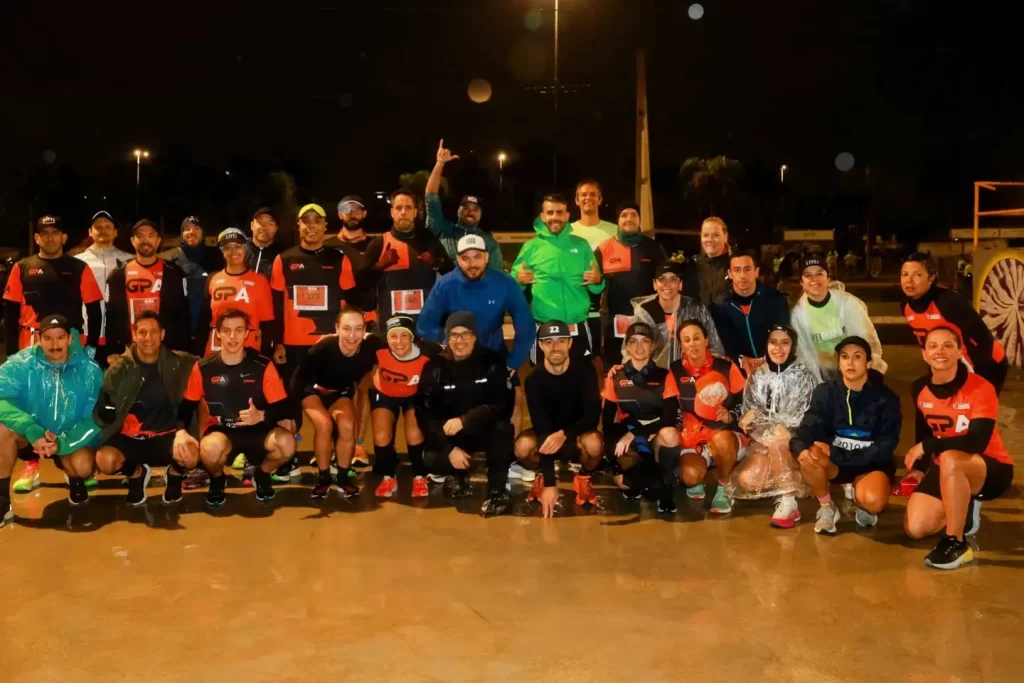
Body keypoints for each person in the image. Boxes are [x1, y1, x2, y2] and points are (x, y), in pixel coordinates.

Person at [903, 327, 1014, 570]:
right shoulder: (920, 388)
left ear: (960, 351)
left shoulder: (980, 388)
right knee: (916, 528)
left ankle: (956, 542)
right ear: (924, 354)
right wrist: (920, 468)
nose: (939, 351)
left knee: (952, 458)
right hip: (947, 467)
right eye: (932, 346)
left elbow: (977, 442)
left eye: (947, 345)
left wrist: (928, 446)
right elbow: (924, 431)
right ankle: (963, 506)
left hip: (990, 467)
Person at [417, 234, 535, 439]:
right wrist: (448, 343)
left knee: (515, 395)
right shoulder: (445, 284)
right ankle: (449, 449)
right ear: (458, 260)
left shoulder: (505, 282)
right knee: (451, 398)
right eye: (466, 258)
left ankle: (512, 454)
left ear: (487, 258)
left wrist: (514, 362)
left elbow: (526, 326)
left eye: (477, 257)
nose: (472, 264)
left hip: (493, 352)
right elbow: (424, 325)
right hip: (457, 355)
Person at [179, 309, 296, 506]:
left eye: (238, 330)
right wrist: (181, 431)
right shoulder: (204, 367)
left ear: (247, 333)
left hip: (259, 431)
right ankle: (217, 479)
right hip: (224, 432)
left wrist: (262, 416)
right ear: (218, 333)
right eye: (226, 331)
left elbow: (284, 407)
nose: (232, 337)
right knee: (209, 449)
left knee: (287, 444)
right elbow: (187, 405)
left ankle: (262, 474)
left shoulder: (262, 365)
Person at [790, 336, 901, 534]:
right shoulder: (825, 392)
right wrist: (799, 449)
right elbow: (807, 427)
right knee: (809, 455)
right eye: (845, 357)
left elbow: (887, 444)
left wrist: (838, 453)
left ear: (868, 363)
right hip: (836, 464)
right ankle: (827, 508)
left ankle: (862, 500)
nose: (850, 362)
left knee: (873, 501)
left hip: (870, 465)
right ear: (839, 362)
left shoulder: (886, 397)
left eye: (857, 357)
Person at [93, 312, 200, 506]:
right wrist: (108, 412)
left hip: (168, 435)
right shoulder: (119, 368)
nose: (148, 338)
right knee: (105, 460)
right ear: (134, 335)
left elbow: (212, 367)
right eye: (142, 332)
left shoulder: (181, 362)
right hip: (130, 437)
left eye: (153, 332)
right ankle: (137, 473)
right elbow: (104, 403)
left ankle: (175, 474)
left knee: (191, 456)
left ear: (162, 334)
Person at [0, 316, 102, 520]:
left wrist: (63, 443)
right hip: (31, 436)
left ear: (70, 339)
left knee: (83, 466)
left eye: (60, 337)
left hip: (67, 440)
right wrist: (30, 428)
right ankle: (2, 502)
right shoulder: (22, 363)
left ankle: (75, 478)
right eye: (48, 338)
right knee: (2, 432)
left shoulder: (90, 371)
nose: (54, 345)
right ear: (39, 338)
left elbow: (94, 418)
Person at [418, 311, 516, 516]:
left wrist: (467, 419)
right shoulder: (434, 367)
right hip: (452, 435)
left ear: (475, 336)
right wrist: (449, 448)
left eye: (465, 334)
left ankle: (497, 489)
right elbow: (425, 415)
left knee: (503, 429)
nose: (459, 340)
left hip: (484, 429)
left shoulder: (493, 361)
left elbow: (504, 405)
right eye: (454, 335)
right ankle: (457, 476)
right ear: (447, 337)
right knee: (431, 459)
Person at [728, 324, 816, 528]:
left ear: (792, 346)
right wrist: (763, 421)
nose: (778, 348)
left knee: (778, 439)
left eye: (784, 343)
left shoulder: (804, 376)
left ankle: (788, 502)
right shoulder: (758, 376)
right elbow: (747, 419)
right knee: (749, 481)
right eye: (773, 343)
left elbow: (799, 418)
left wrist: (762, 416)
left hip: (795, 441)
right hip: (765, 441)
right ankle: (795, 482)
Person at [291, 307, 383, 498]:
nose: (352, 335)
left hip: (340, 392)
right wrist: (290, 415)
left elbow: (398, 342)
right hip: (312, 390)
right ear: (337, 329)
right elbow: (298, 379)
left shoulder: (370, 347)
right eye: (346, 328)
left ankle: (343, 476)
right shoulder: (323, 348)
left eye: (358, 329)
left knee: (347, 426)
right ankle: (323, 478)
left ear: (364, 330)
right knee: (324, 425)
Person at [515, 321, 603, 518]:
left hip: (577, 433)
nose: (555, 347)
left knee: (595, 445)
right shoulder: (533, 380)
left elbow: (592, 416)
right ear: (540, 345)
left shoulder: (585, 371)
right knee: (522, 447)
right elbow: (541, 428)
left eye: (561, 341)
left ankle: (583, 477)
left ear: (569, 344)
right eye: (548, 342)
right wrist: (549, 483)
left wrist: (565, 434)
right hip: (547, 437)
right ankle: (540, 475)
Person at [269, 203, 353, 401]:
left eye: (317, 221)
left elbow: (349, 305)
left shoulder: (339, 260)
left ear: (325, 225)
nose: (311, 226)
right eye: (306, 221)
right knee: (293, 402)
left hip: (329, 343)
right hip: (294, 346)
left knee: (332, 404)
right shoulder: (284, 259)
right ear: (298, 225)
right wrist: (278, 343)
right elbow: (276, 306)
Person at [663, 319, 747, 515]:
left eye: (696, 338)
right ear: (681, 345)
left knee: (722, 439)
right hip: (694, 439)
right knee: (690, 476)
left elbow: (747, 403)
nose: (692, 344)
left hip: (724, 435)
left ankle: (724, 487)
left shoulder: (726, 367)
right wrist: (677, 428)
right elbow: (670, 410)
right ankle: (698, 474)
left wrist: (731, 416)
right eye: (686, 340)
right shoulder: (675, 371)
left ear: (706, 340)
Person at [510, 194, 605, 365]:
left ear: (567, 216)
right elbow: (512, 284)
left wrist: (598, 281)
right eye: (550, 212)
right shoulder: (531, 247)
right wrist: (519, 279)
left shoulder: (581, 245)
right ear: (543, 216)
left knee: (581, 378)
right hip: (545, 325)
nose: (555, 217)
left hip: (577, 325)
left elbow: (596, 287)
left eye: (559, 212)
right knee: (544, 381)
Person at [601, 322, 682, 513]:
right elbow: (606, 423)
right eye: (633, 342)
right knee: (625, 483)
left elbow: (670, 418)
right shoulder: (615, 376)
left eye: (645, 341)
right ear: (627, 346)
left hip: (656, 434)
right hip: (629, 435)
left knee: (670, 434)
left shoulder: (665, 375)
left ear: (653, 346)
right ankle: (641, 476)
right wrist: (616, 462)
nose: (639, 347)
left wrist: (639, 432)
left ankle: (666, 485)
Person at [900, 252, 1006, 394]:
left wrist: (977, 378)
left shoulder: (948, 301)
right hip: (953, 367)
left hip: (987, 363)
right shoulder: (906, 306)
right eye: (905, 274)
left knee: (973, 412)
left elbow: (983, 337)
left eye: (917, 275)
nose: (909, 280)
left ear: (931, 278)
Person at [325, 195, 378, 466]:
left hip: (369, 323)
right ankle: (332, 443)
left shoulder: (376, 244)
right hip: (339, 325)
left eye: (357, 209)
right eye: (347, 209)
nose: (352, 213)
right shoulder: (328, 246)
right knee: (334, 387)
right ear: (339, 214)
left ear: (364, 214)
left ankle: (357, 445)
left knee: (365, 387)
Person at [3, 215, 102, 354]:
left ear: (64, 237)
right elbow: (11, 313)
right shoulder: (22, 267)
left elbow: (94, 312)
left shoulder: (80, 268)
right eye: (45, 233)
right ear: (37, 238)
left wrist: (92, 346)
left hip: (70, 343)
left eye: (55, 233)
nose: (50, 238)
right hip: (31, 343)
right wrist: (11, 350)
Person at [368, 315, 440, 498]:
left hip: (413, 396)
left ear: (412, 337)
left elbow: (451, 359)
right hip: (384, 393)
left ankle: (419, 475)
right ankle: (388, 475)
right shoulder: (377, 346)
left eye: (404, 336)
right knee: (381, 434)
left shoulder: (429, 351)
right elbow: (353, 340)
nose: (398, 342)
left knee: (414, 433)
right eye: (393, 336)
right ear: (387, 338)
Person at [359, 190, 453, 328]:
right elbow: (361, 283)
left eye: (408, 208)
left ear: (415, 212)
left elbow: (451, 273)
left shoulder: (428, 241)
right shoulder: (380, 243)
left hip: (425, 324)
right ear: (392, 212)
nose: (403, 212)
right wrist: (380, 265)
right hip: (392, 325)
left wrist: (436, 263)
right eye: (398, 208)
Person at [790, 252, 885, 381]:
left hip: (851, 364)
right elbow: (803, 354)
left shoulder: (848, 304)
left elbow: (867, 340)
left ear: (828, 278)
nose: (814, 279)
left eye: (819, 273)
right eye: (808, 275)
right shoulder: (798, 315)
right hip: (820, 371)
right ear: (801, 282)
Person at [106, 219, 191, 357]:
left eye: (151, 236)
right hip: (128, 351)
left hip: (165, 350)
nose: (146, 240)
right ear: (133, 241)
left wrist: (180, 347)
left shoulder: (174, 272)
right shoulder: (118, 273)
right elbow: (111, 315)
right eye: (140, 236)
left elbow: (183, 314)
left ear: (158, 241)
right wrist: (112, 350)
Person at [594, 202, 666, 366]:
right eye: (624, 215)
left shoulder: (654, 248)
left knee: (648, 367)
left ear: (640, 219)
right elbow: (594, 285)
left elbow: (665, 281)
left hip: (647, 321)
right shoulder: (604, 249)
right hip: (614, 323)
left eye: (634, 215)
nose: (629, 219)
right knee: (614, 369)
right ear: (617, 221)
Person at [625, 261, 723, 369]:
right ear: (654, 284)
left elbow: (714, 347)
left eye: (673, 279)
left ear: (680, 284)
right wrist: (624, 368)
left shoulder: (696, 309)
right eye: (662, 279)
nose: (667, 284)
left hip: (691, 374)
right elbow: (630, 348)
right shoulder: (644, 311)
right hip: (655, 376)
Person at [424, 141, 505, 269]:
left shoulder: (488, 242)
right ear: (458, 211)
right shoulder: (444, 230)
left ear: (480, 214)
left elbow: (497, 275)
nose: (470, 212)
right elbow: (431, 198)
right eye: (465, 207)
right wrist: (440, 163)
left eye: (475, 209)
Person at [710, 249, 790, 375]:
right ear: (730, 274)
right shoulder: (720, 307)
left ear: (756, 272)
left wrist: (767, 360)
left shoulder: (775, 300)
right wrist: (740, 361)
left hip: (775, 370)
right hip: (738, 374)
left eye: (747, 269)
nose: (742, 275)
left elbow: (785, 336)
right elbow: (722, 344)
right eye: (737, 270)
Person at [196, 228, 274, 357]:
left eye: (238, 246)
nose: (233, 251)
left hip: (249, 350)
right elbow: (204, 319)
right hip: (217, 349)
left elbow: (267, 324)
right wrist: (199, 350)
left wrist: (265, 355)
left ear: (245, 249)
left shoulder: (260, 281)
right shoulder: (213, 279)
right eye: (227, 247)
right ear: (222, 252)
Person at [76, 210, 133, 368]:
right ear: (90, 232)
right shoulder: (77, 262)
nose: (103, 230)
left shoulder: (130, 261)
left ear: (115, 232)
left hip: (122, 336)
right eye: (98, 226)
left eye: (108, 226)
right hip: (87, 334)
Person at [570, 180, 620, 358]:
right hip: (576, 309)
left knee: (605, 362)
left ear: (600, 200)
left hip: (607, 308)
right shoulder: (568, 231)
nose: (588, 198)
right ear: (576, 200)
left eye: (593, 194)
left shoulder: (614, 231)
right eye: (583, 194)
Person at [162, 216, 225, 350]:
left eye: (196, 228)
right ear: (181, 234)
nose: (191, 232)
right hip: (176, 334)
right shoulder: (169, 259)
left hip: (207, 331)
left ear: (203, 233)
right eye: (187, 229)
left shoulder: (216, 258)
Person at [683, 217, 731, 306]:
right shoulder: (692, 265)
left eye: (716, 235)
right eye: (705, 235)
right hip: (698, 319)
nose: (710, 239)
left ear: (725, 237)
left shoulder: (734, 265)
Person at [245, 207, 282, 280]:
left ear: (276, 228)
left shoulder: (282, 256)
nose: (264, 227)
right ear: (252, 225)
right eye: (260, 222)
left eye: (270, 223)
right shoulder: (240, 250)